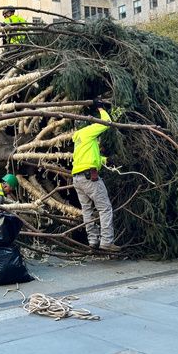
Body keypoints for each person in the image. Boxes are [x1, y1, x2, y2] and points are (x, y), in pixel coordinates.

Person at [72, 98, 121, 252]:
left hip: (77, 179)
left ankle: (93, 241)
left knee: (87, 210)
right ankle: (107, 242)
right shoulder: (88, 131)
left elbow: (90, 157)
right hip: (89, 178)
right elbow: (107, 121)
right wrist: (100, 108)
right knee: (105, 208)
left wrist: (106, 160)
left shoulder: (78, 139)